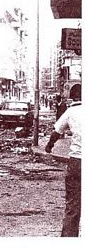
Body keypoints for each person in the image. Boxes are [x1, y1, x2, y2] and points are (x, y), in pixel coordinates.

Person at [45, 97, 82, 237]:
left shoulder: (72, 111)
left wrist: (49, 146)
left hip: (77, 162)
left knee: (73, 206)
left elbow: (57, 131)